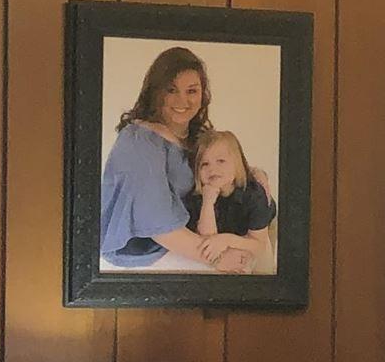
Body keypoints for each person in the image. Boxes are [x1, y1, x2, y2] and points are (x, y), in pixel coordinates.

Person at [98, 46, 254, 271]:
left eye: (192, 91)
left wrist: (257, 174)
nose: (183, 100)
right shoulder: (140, 140)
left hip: (198, 239)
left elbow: (228, 167)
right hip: (145, 252)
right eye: (171, 90)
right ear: (156, 92)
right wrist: (217, 258)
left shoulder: (197, 138)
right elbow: (156, 221)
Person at [187, 127, 279, 275]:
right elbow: (208, 239)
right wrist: (208, 202)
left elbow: (258, 245)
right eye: (205, 164)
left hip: (257, 231)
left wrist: (227, 240)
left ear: (237, 164)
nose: (212, 169)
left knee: (263, 269)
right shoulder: (199, 196)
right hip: (226, 230)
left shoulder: (254, 194)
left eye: (221, 161)